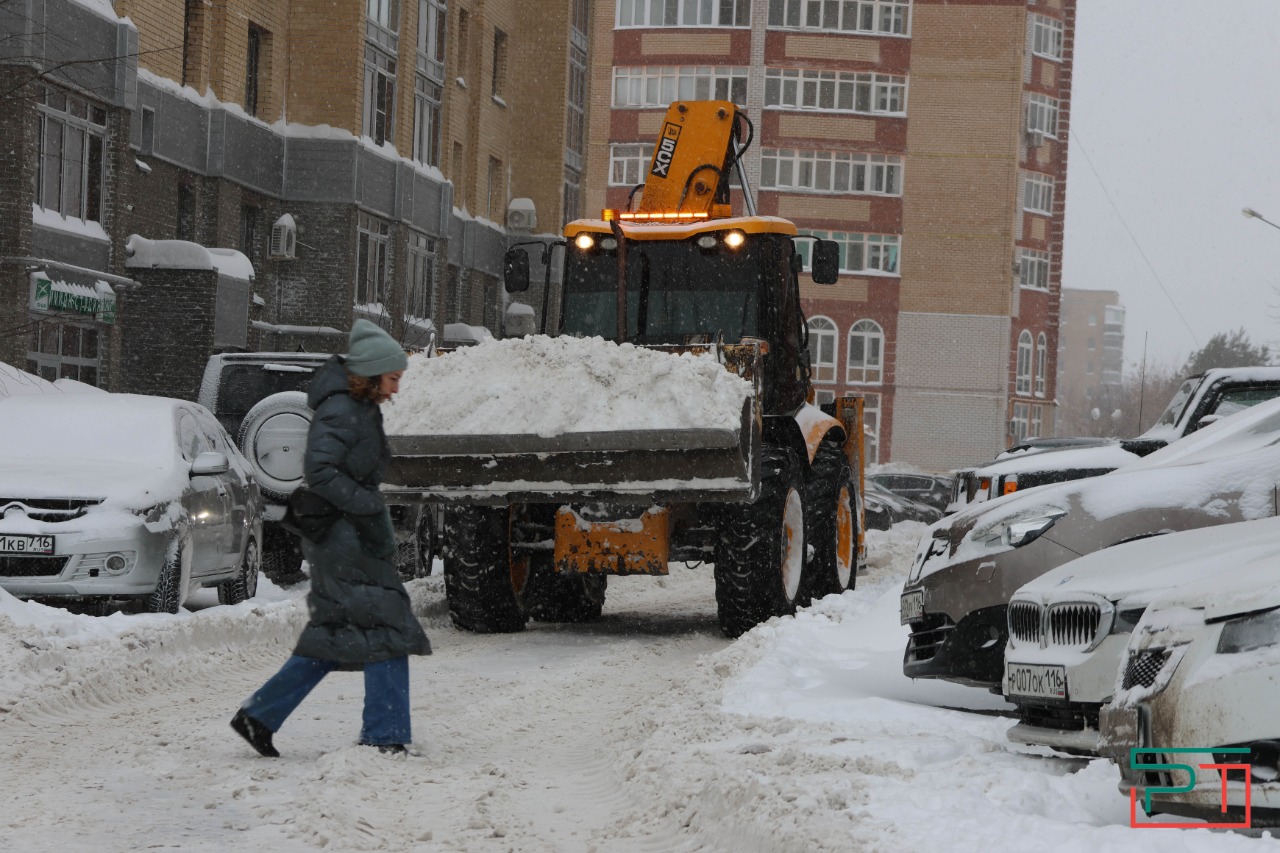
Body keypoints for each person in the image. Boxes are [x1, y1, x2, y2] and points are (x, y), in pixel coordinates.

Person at [231, 319, 431, 757]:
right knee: (385, 627)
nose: (397, 389)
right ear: (372, 373)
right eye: (394, 378)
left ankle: (259, 716)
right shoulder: (342, 410)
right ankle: (385, 733)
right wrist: (366, 505)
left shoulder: (357, 408)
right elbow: (321, 471)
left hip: (350, 536)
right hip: (343, 539)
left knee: (337, 633)